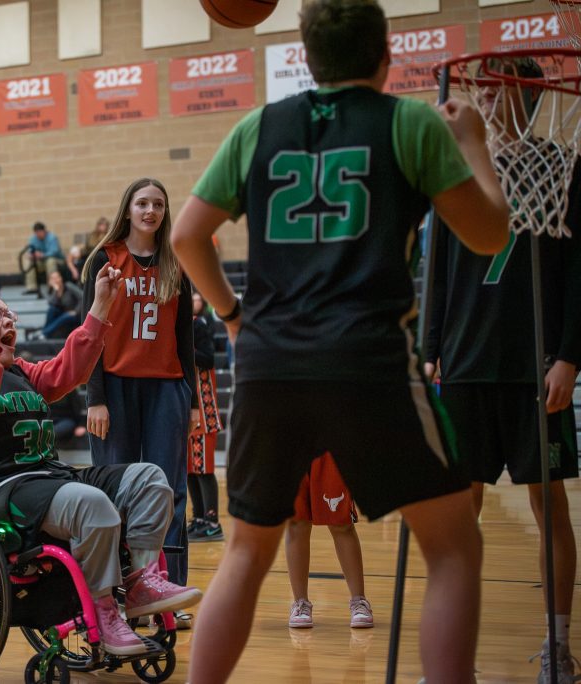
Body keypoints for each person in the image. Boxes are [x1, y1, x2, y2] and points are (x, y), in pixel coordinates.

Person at [169, 0, 510, 681]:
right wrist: (473, 141)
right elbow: (490, 233)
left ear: (306, 55)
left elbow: (185, 237)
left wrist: (235, 319)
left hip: (270, 363)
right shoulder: (409, 121)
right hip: (369, 359)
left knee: (244, 554)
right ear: (386, 58)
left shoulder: (257, 126)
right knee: (452, 549)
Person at [0, 276, 202, 656]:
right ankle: (104, 613)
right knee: (91, 503)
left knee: (150, 480)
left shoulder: (21, 372)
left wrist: (100, 308)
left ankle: (141, 583)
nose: (8, 321)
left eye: (7, 315)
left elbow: (68, 372)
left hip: (48, 481)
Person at [426, 56, 581, 683]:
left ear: (529, 95)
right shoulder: (455, 173)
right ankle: (450, 649)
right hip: (462, 366)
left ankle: (558, 643)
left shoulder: (561, 168)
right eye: (483, 89)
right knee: (457, 514)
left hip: (533, 366)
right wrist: (430, 343)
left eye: (500, 89)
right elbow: (436, 268)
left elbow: (578, 274)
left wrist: (569, 354)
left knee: (549, 506)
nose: (488, 99)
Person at [81, 178, 199, 592]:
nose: (151, 211)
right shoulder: (105, 260)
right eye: (143, 203)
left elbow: (185, 339)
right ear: (127, 209)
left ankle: (170, 587)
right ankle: (118, 589)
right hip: (114, 388)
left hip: (167, 388)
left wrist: (195, 401)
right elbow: (89, 334)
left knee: (170, 491)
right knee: (115, 489)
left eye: (159, 205)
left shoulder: (175, 262)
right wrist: (95, 398)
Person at [285, 452, 373, 630]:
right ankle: (300, 603)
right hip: (290, 441)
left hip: (330, 443)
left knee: (341, 523)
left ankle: (359, 601)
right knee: (296, 523)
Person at [186, 291, 223, 543]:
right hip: (188, 410)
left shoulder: (198, 325)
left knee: (204, 468)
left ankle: (212, 522)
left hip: (204, 409)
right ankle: (199, 517)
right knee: (190, 469)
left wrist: (185, 350)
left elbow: (209, 359)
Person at [20, 221, 65, 294]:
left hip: (57, 260)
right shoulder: (33, 239)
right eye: (36, 233)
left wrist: (42, 255)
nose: (38, 235)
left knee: (50, 261)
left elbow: (54, 252)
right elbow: (30, 250)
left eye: (39, 232)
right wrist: (31, 255)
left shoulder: (52, 238)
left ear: (44, 231)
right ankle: (32, 287)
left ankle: (52, 286)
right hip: (42, 261)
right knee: (29, 262)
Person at [41, 270, 84, 339]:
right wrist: (56, 291)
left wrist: (76, 311)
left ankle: (43, 333)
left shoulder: (68, 286)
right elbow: (52, 304)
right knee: (51, 310)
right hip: (63, 313)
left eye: (57, 277)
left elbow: (82, 297)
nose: (55, 280)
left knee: (65, 316)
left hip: (76, 315)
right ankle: (44, 333)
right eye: (53, 279)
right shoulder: (52, 290)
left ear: (61, 278)